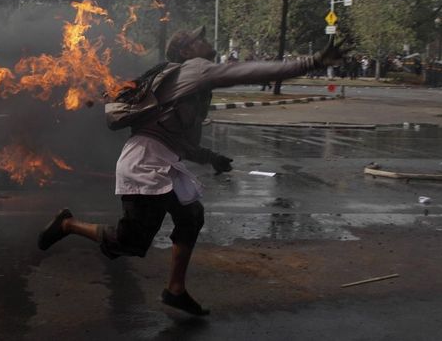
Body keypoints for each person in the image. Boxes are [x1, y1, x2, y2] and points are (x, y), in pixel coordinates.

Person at [37, 26, 346, 315]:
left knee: (191, 215)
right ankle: (68, 225)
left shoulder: (193, 87)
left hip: (164, 160)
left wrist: (211, 157)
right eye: (198, 38)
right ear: (186, 51)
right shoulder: (195, 70)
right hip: (144, 163)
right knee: (129, 242)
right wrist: (313, 61)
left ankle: (175, 289)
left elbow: (180, 141)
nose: (206, 40)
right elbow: (246, 71)